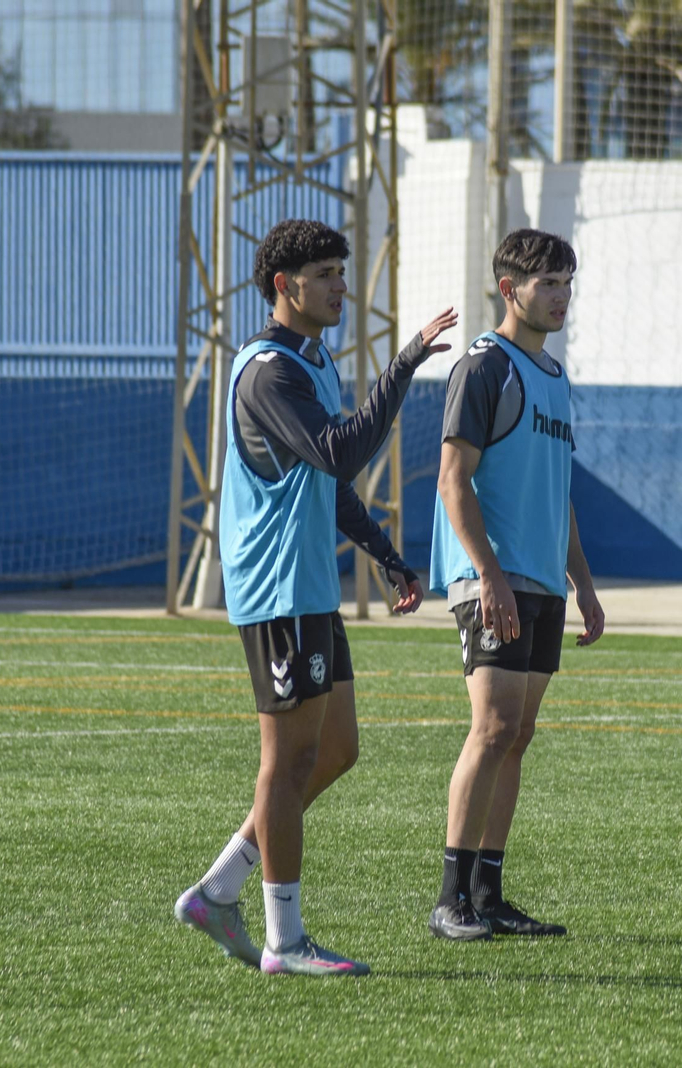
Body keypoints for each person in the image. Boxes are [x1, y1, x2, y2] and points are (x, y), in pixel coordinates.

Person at [174, 218, 458, 975]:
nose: (342, 287)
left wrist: (387, 556)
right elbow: (341, 449)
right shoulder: (269, 372)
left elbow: (326, 480)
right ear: (283, 287)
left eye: (342, 270)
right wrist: (402, 368)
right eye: (327, 274)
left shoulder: (313, 360)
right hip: (276, 592)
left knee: (336, 750)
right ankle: (284, 940)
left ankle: (219, 889)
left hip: (308, 589)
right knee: (288, 760)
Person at [426, 228, 605, 941]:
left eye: (567, 283)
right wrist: (489, 576)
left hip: (541, 582)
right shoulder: (484, 365)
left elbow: (558, 496)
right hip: (489, 577)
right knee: (492, 726)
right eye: (547, 285)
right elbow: (451, 480)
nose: (560, 297)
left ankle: (488, 891)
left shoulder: (555, 379)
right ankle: (449, 899)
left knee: (519, 734)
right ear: (510, 290)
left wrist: (583, 587)